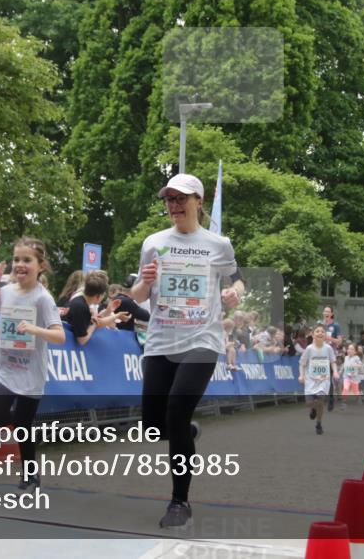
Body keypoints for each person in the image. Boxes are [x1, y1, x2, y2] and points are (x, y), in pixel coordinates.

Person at [129, 173, 244, 529]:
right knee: (153, 426)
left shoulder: (218, 244)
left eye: (182, 198)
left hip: (202, 339)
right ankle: (186, 433)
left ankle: (180, 501)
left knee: (177, 412)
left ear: (198, 201)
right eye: (170, 199)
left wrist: (235, 293)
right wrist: (145, 282)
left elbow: (236, 278)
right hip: (161, 340)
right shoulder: (154, 242)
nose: (175, 205)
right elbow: (137, 295)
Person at [0, 237, 64, 492]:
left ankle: (30, 474)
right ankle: (22, 430)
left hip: (31, 372)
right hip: (7, 368)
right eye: (16, 259)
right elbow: (2, 325)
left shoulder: (43, 298)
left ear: (41, 266)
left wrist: (33, 329)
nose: (20, 264)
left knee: (22, 425)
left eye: (27, 260)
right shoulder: (6, 291)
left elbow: (59, 336)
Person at [63, 270, 128, 346]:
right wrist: (94, 325)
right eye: (103, 295)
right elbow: (82, 340)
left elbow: (96, 322)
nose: (103, 298)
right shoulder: (81, 307)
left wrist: (112, 313)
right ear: (98, 296)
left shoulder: (80, 301)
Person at [298, 325, 338, 435]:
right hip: (311, 380)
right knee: (309, 403)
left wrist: (335, 371)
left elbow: (333, 362)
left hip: (324, 380)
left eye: (322, 331)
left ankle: (318, 424)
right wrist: (301, 375)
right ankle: (313, 409)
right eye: (317, 331)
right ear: (313, 334)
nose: (320, 333)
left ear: (325, 335)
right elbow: (302, 363)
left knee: (320, 401)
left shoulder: (328, 348)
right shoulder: (309, 349)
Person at [340, 343, 361, 408]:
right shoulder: (346, 357)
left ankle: (358, 397)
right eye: (348, 349)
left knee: (355, 391)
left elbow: (360, 365)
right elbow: (344, 365)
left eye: (352, 349)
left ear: (355, 351)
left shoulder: (356, 358)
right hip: (347, 376)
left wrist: (355, 365)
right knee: (345, 388)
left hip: (354, 378)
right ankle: (344, 402)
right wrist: (340, 371)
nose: (349, 350)